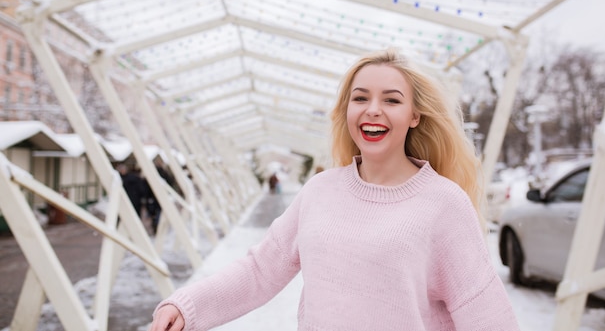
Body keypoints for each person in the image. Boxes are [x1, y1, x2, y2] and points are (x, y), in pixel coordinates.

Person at [149, 48, 520, 331]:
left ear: (414, 116)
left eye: (391, 100)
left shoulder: (443, 203)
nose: (373, 110)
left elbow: (484, 313)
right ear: (346, 111)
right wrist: (187, 306)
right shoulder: (320, 191)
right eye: (360, 98)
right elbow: (261, 270)